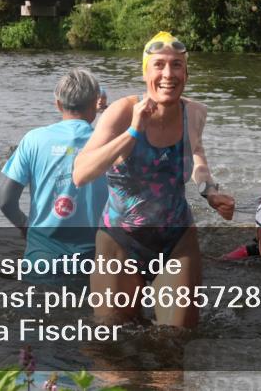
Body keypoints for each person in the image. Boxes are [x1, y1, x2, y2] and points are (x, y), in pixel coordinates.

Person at [73, 31, 235, 327]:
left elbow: (196, 153)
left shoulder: (195, 113)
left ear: (186, 72)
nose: (168, 74)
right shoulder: (121, 112)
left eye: (176, 65)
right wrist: (133, 131)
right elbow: (81, 174)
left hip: (177, 239)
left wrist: (209, 190)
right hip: (120, 239)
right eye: (159, 65)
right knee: (113, 345)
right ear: (145, 71)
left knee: (175, 346)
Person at [0, 68, 108, 274]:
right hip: (94, 262)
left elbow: (6, 201)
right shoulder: (111, 144)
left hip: (41, 258)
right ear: (95, 104)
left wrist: (27, 228)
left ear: (58, 104)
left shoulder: (34, 139)